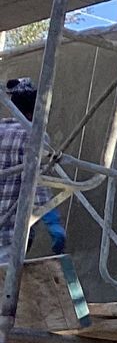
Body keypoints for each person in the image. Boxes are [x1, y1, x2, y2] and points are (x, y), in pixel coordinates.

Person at [0, 78, 65, 258]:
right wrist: (52, 220)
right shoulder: (33, 136)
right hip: (9, 232)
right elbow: (35, 182)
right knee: (7, 281)